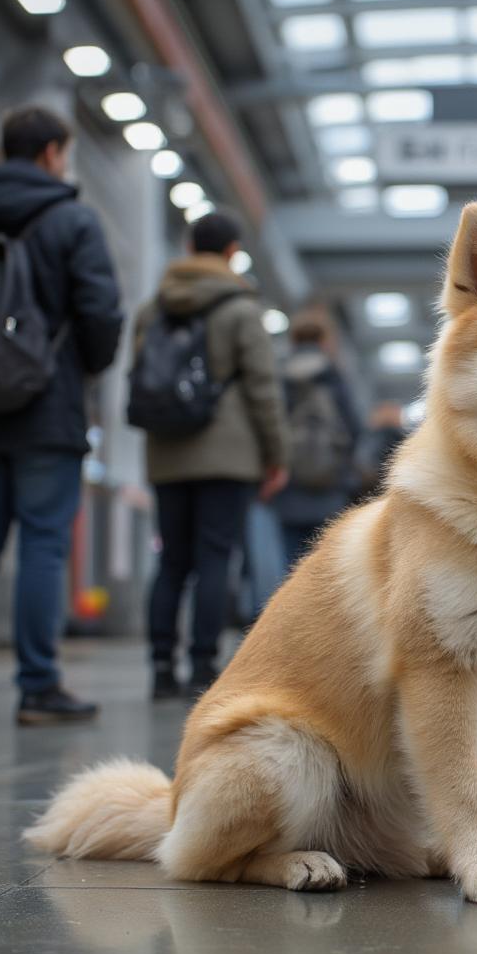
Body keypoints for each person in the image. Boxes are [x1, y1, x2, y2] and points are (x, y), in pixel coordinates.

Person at [0, 106, 122, 724]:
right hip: (48, 409)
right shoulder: (72, 221)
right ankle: (38, 687)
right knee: (45, 547)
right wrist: (82, 370)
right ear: (51, 152)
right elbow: (101, 312)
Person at [134, 212, 289, 700]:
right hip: (227, 455)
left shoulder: (152, 308)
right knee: (215, 556)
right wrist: (276, 456)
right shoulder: (240, 309)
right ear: (231, 252)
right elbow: (263, 388)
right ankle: (203, 666)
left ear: (188, 245)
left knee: (172, 561)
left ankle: (161, 666)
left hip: (167, 453)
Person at [274, 314, 362, 573]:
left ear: (292, 341)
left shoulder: (281, 375)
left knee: (290, 563)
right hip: (329, 483)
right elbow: (353, 427)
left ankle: (289, 612)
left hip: (289, 482)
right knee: (324, 560)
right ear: (324, 341)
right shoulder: (333, 375)